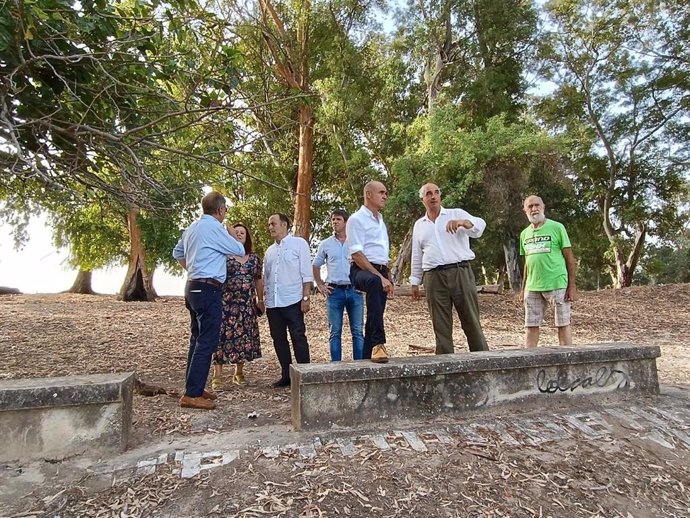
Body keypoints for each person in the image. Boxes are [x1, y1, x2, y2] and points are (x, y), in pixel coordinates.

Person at [172, 192, 244, 410]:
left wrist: (194, 270)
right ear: (220, 210)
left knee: (197, 339)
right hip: (208, 289)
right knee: (207, 341)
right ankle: (192, 394)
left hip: (192, 286)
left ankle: (194, 386)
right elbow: (239, 250)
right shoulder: (215, 228)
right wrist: (231, 234)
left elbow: (177, 252)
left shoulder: (192, 228)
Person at [410, 183, 489, 353]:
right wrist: (415, 281)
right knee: (440, 325)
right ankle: (445, 368)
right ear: (422, 199)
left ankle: (483, 361)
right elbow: (417, 254)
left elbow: (480, 226)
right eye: (428, 194)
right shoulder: (419, 225)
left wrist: (464, 222)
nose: (433, 196)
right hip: (433, 276)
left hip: (460, 272)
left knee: (471, 320)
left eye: (436, 192)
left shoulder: (456, 214)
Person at [520, 195, 577, 347]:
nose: (534, 209)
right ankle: (529, 361)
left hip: (557, 283)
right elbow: (527, 262)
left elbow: (570, 258)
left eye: (537, 205)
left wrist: (572, 286)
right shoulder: (524, 234)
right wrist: (522, 288)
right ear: (525, 210)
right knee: (530, 325)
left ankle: (567, 360)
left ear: (543, 207)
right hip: (532, 287)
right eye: (530, 206)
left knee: (563, 324)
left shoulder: (557, 227)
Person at [212, 223, 264, 390]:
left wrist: (260, 300)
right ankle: (217, 375)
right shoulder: (224, 256)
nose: (240, 234)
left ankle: (239, 373)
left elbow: (258, 279)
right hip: (226, 303)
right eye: (236, 232)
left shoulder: (254, 258)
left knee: (244, 338)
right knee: (221, 337)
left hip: (246, 305)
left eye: (243, 232)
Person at [346, 181, 393, 363]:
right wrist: (380, 277)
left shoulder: (380, 220)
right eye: (381, 192)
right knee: (374, 282)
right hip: (361, 270)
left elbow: (382, 255)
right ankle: (379, 344)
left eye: (386, 193)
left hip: (380, 270)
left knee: (375, 316)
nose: (385, 196)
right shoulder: (356, 219)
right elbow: (357, 254)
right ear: (369, 194)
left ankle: (366, 359)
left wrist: (387, 278)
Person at [263, 213, 313, 387]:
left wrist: (306, 298)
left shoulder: (299, 244)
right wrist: (263, 299)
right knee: (278, 339)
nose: (270, 227)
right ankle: (286, 375)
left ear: (284, 225)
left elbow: (307, 273)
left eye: (273, 223)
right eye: (269, 224)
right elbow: (267, 277)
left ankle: (305, 374)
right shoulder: (269, 251)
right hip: (274, 303)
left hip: (293, 300)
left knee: (298, 337)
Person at [313, 210, 364, 361]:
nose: (335, 222)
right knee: (335, 332)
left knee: (357, 331)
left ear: (346, 222)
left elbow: (366, 263)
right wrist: (320, 285)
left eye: (338, 219)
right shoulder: (326, 244)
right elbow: (315, 265)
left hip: (355, 290)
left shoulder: (357, 242)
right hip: (334, 292)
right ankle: (335, 366)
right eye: (333, 220)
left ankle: (359, 366)